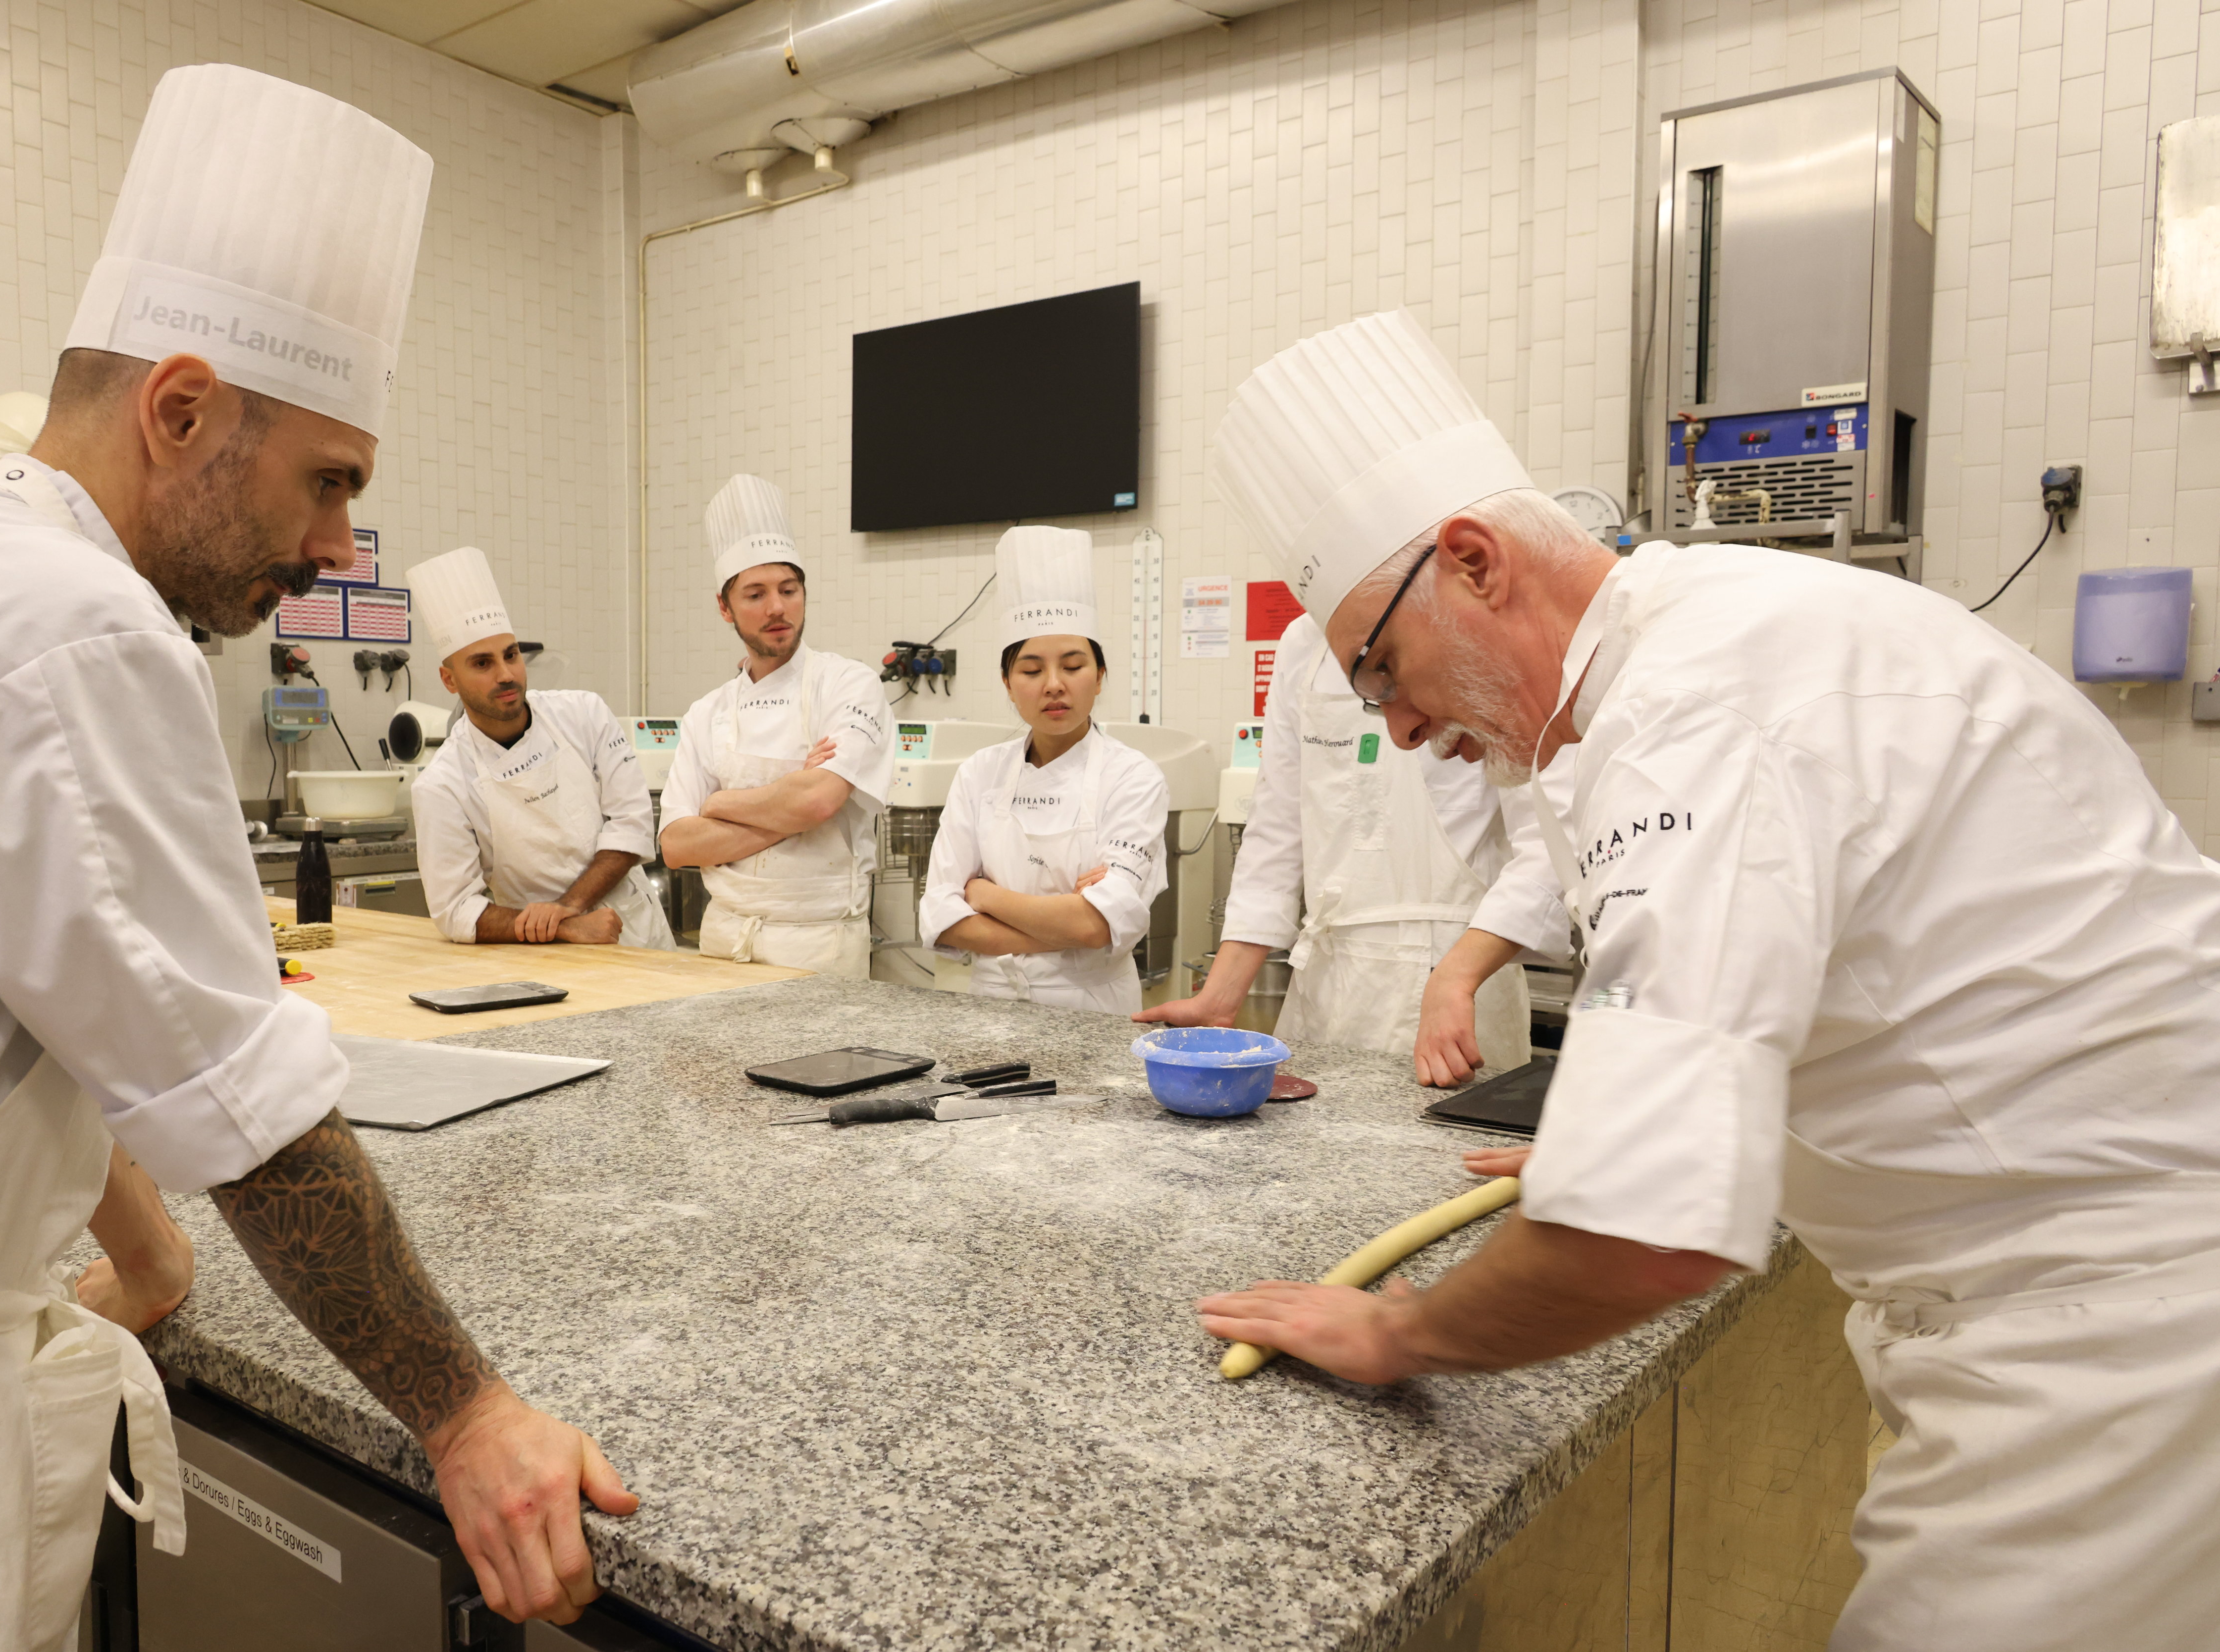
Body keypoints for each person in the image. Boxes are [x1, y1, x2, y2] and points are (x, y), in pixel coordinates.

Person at [0, 66, 631, 1647]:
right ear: (180, 410)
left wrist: (147, 1252)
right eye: (331, 479)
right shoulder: (66, 622)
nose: (344, 547)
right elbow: (257, 1118)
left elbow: (16, 989)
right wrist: (471, 1417)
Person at [1193, 306, 2220, 1649]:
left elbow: (1647, 1232)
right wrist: (1632, 1118)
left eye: (1383, 667)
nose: (1396, 726)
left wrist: (1403, 1332)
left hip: (2117, 1329)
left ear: (1475, 559)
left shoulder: (1698, 706)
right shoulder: (1699, 647)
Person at [1134, 608, 1571, 1080]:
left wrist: (1457, 976)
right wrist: (1218, 1000)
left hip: (1459, 988)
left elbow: (1551, 849)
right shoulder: (1303, 641)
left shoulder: (1487, 628)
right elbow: (1276, 829)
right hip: (1326, 983)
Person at [918, 527, 1169, 1013]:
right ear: (1008, 684)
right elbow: (941, 917)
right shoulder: (979, 773)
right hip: (991, 1004)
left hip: (1093, 1009)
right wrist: (1064, 926)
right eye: (1031, 671)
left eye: (1072, 666)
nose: (1053, 684)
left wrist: (985, 894)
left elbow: (1095, 926)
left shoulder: (1134, 777)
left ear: (1099, 676)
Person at [658, 474, 892, 976]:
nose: (777, 608)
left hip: (821, 945)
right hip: (722, 939)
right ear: (724, 607)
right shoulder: (707, 712)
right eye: (755, 594)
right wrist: (789, 808)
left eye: (788, 589)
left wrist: (718, 805)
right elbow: (677, 845)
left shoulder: (849, 685)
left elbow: (816, 801)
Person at [405, 545, 676, 950]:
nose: (506, 674)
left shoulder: (584, 714)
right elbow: (456, 910)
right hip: (540, 951)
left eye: (511, 655)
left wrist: (567, 906)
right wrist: (565, 926)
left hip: (636, 930)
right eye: (482, 663)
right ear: (449, 679)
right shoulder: (441, 785)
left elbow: (633, 824)